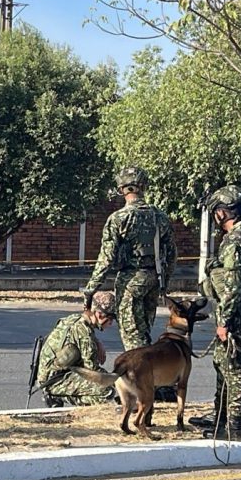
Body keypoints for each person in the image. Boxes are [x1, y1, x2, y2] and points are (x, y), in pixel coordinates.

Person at [82, 166, 177, 400]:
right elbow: (171, 253)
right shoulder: (159, 216)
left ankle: (143, 394)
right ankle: (158, 386)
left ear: (121, 189)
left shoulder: (119, 218)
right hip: (153, 280)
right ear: (143, 187)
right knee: (144, 335)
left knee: (134, 342)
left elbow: (106, 258)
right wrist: (164, 282)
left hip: (130, 281)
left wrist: (91, 289)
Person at [193, 185, 241, 442]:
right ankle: (221, 419)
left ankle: (235, 426)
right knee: (222, 363)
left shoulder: (235, 241)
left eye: (216, 211)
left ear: (223, 213)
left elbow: (233, 285)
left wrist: (224, 321)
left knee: (233, 367)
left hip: (235, 313)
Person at [37, 291, 117, 407]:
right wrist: (116, 379)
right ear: (99, 315)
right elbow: (93, 371)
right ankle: (55, 396)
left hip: (51, 374)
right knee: (106, 391)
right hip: (56, 380)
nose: (111, 323)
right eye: (111, 318)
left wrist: (97, 342)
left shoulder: (75, 319)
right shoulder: (84, 334)